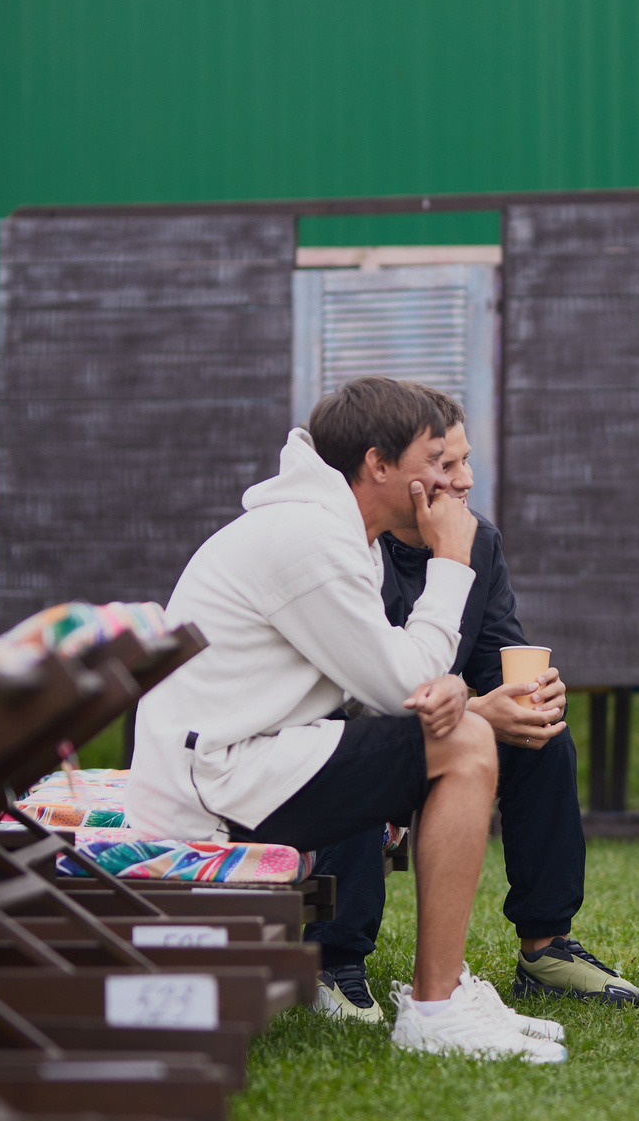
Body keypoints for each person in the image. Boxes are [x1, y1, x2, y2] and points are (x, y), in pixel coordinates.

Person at [129, 376, 566, 1060]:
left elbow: (384, 684)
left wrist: (447, 694)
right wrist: (451, 564)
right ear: (379, 464)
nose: (457, 484)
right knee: (469, 744)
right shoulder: (308, 537)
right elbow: (404, 681)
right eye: (439, 462)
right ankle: (435, 1006)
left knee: (464, 729)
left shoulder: (333, 530)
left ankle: (442, 996)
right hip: (214, 785)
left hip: (236, 763)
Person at [307, 388, 639, 1020]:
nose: (464, 480)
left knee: (544, 735)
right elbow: (360, 691)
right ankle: (334, 961)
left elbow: (497, 656)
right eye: (445, 464)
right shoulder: (350, 550)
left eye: (466, 461)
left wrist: (527, 696)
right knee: (356, 737)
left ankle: (546, 947)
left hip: (444, 735)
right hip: (339, 742)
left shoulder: (479, 542)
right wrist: (472, 714)